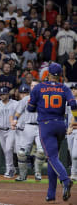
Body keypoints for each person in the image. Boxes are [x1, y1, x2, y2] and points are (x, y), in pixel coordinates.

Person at [27, 63, 76, 202]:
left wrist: (39, 105)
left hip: (46, 125)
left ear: (47, 74)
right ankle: (51, 194)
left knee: (52, 157)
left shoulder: (39, 87)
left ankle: (65, 180)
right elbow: (73, 104)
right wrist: (76, 118)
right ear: (59, 75)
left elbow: (30, 108)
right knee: (51, 159)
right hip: (61, 125)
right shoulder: (64, 88)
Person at [11, 82, 44, 181]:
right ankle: (22, 175)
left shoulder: (44, 98)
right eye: (32, 85)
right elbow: (18, 112)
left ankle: (38, 173)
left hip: (41, 126)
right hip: (28, 126)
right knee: (21, 153)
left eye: (35, 85)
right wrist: (15, 120)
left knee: (41, 151)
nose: (33, 87)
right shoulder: (26, 99)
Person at [0, 87, 18, 178]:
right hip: (1, 130)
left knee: (9, 149)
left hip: (11, 130)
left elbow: (21, 112)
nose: (2, 96)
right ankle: (12, 168)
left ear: (8, 94)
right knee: (6, 151)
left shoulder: (15, 103)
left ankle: (9, 170)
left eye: (4, 94)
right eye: (1, 94)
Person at [67, 83, 77, 181]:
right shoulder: (68, 102)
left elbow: (75, 117)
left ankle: (74, 173)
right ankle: (74, 173)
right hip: (70, 131)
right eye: (72, 89)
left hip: (75, 129)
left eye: (75, 89)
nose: (73, 90)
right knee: (71, 153)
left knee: (75, 154)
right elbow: (65, 116)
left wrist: (70, 126)